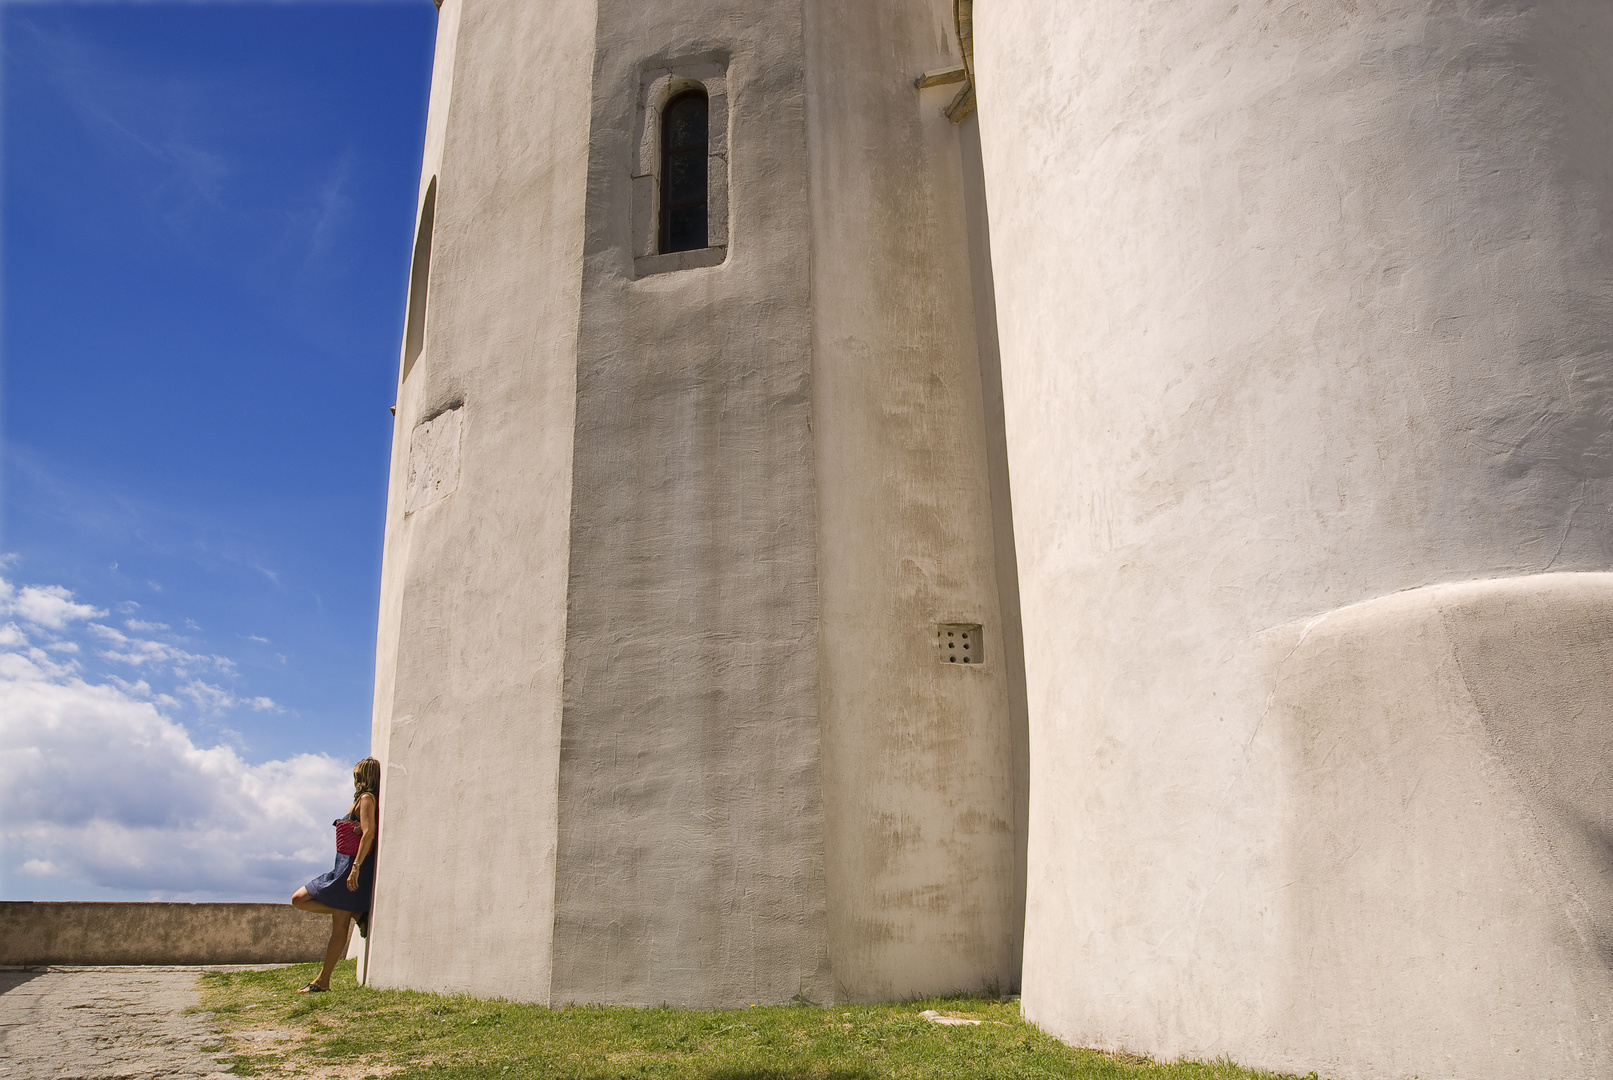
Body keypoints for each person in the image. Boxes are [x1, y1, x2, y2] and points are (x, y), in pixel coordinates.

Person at [291, 757, 379, 992]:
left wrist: (356, 869)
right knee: (301, 900)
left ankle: (322, 981)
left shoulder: (366, 799)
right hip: (341, 867)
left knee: (320, 913)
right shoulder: (358, 801)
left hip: (350, 869)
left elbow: (369, 834)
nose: (354, 779)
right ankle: (355, 913)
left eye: (356, 774)